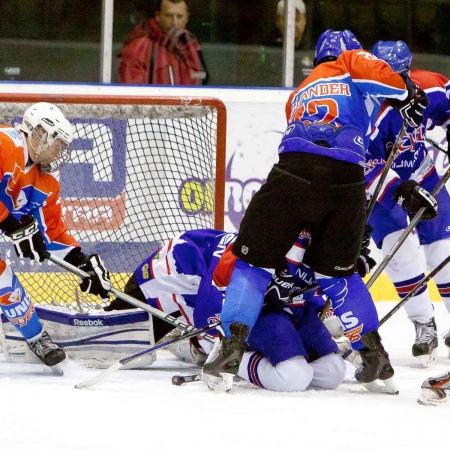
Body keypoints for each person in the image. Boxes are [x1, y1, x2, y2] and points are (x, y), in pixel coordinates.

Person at [202, 29, 435, 391]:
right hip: (347, 181)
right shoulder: (355, 64)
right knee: (340, 275)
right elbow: (382, 77)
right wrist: (407, 93)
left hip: (294, 172)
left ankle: (231, 349)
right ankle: (375, 356)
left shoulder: (298, 93)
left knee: (254, 262)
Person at [105, 228, 347, 392]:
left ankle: (197, 344)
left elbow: (302, 296)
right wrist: (221, 351)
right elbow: (212, 306)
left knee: (331, 372)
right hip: (165, 283)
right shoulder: (247, 258)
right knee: (292, 375)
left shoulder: (306, 247)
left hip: (220, 285)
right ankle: (190, 344)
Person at [0, 102, 111, 367]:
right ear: (39, 133)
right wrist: (10, 224)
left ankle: (37, 338)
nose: (60, 151)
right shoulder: (6, 143)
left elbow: (52, 232)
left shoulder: (45, 182)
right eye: (58, 143)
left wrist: (81, 263)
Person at [367, 40, 450, 367]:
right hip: (381, 189)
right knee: (399, 255)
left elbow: (447, 97)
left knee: (443, 249)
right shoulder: (365, 109)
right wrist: (397, 191)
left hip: (423, 175)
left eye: (401, 76)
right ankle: (423, 324)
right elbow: (357, 163)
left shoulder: (426, 86)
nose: (396, 85)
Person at [118, 0, 208, 85]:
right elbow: (132, 91)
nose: (175, 22)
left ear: (187, 17)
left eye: (179, 16)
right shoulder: (139, 47)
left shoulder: (191, 44)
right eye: (168, 16)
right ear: (157, 16)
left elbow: (202, 76)